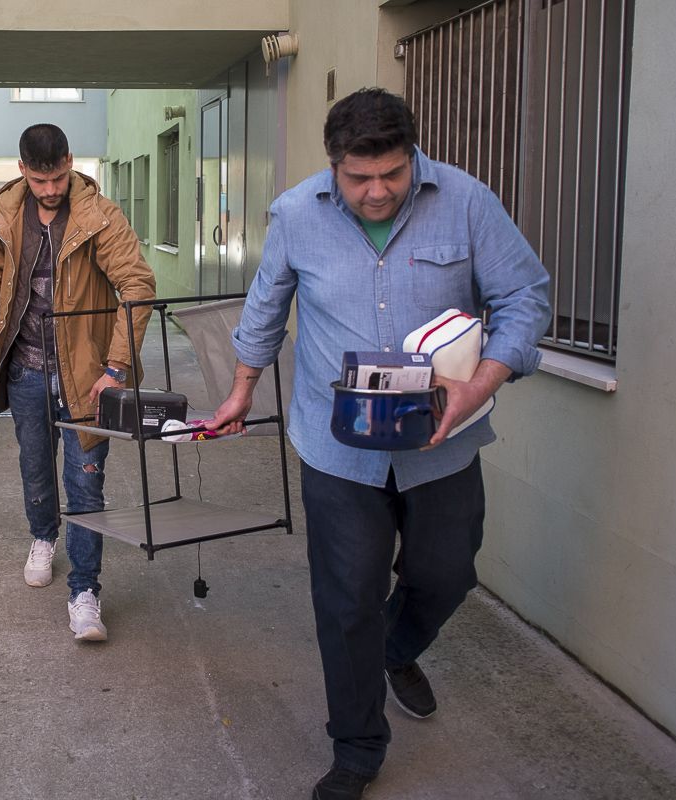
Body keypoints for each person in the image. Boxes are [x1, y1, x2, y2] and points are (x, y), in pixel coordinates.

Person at [207, 88, 552, 800]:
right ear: (333, 164)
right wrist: (242, 388)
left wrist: (482, 383)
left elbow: (525, 297)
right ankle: (358, 748)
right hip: (340, 449)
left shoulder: (466, 201)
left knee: (448, 572)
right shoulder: (299, 214)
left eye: (391, 174)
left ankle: (394, 651)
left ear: (412, 156)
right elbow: (267, 306)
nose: (375, 191)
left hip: (442, 440)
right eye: (358, 177)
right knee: (347, 597)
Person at [0, 124, 156, 642]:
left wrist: (116, 365)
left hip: (87, 375)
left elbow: (137, 284)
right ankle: (44, 536)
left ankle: (85, 591)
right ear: (22, 167)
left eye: (59, 177)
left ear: (70, 162)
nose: (50, 189)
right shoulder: (2, 214)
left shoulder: (100, 215)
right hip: (25, 369)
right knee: (34, 466)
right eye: (41, 179)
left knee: (86, 479)